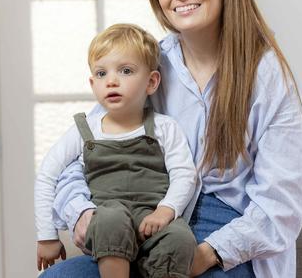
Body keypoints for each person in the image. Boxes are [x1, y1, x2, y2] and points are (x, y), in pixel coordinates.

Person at [41, 0, 302, 278]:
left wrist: (203, 255)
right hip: (147, 226)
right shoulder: (150, 67)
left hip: (228, 244)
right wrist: (82, 213)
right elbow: (78, 156)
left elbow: (281, 208)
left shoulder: (270, 78)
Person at [34, 24, 198, 277]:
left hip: (151, 218)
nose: (111, 81)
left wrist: (166, 210)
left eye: (126, 71)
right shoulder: (84, 130)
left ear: (152, 82)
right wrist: (46, 236)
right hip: (105, 221)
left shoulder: (165, 127)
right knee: (111, 218)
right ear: (92, 83)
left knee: (180, 238)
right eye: (101, 74)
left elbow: (185, 174)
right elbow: (47, 175)